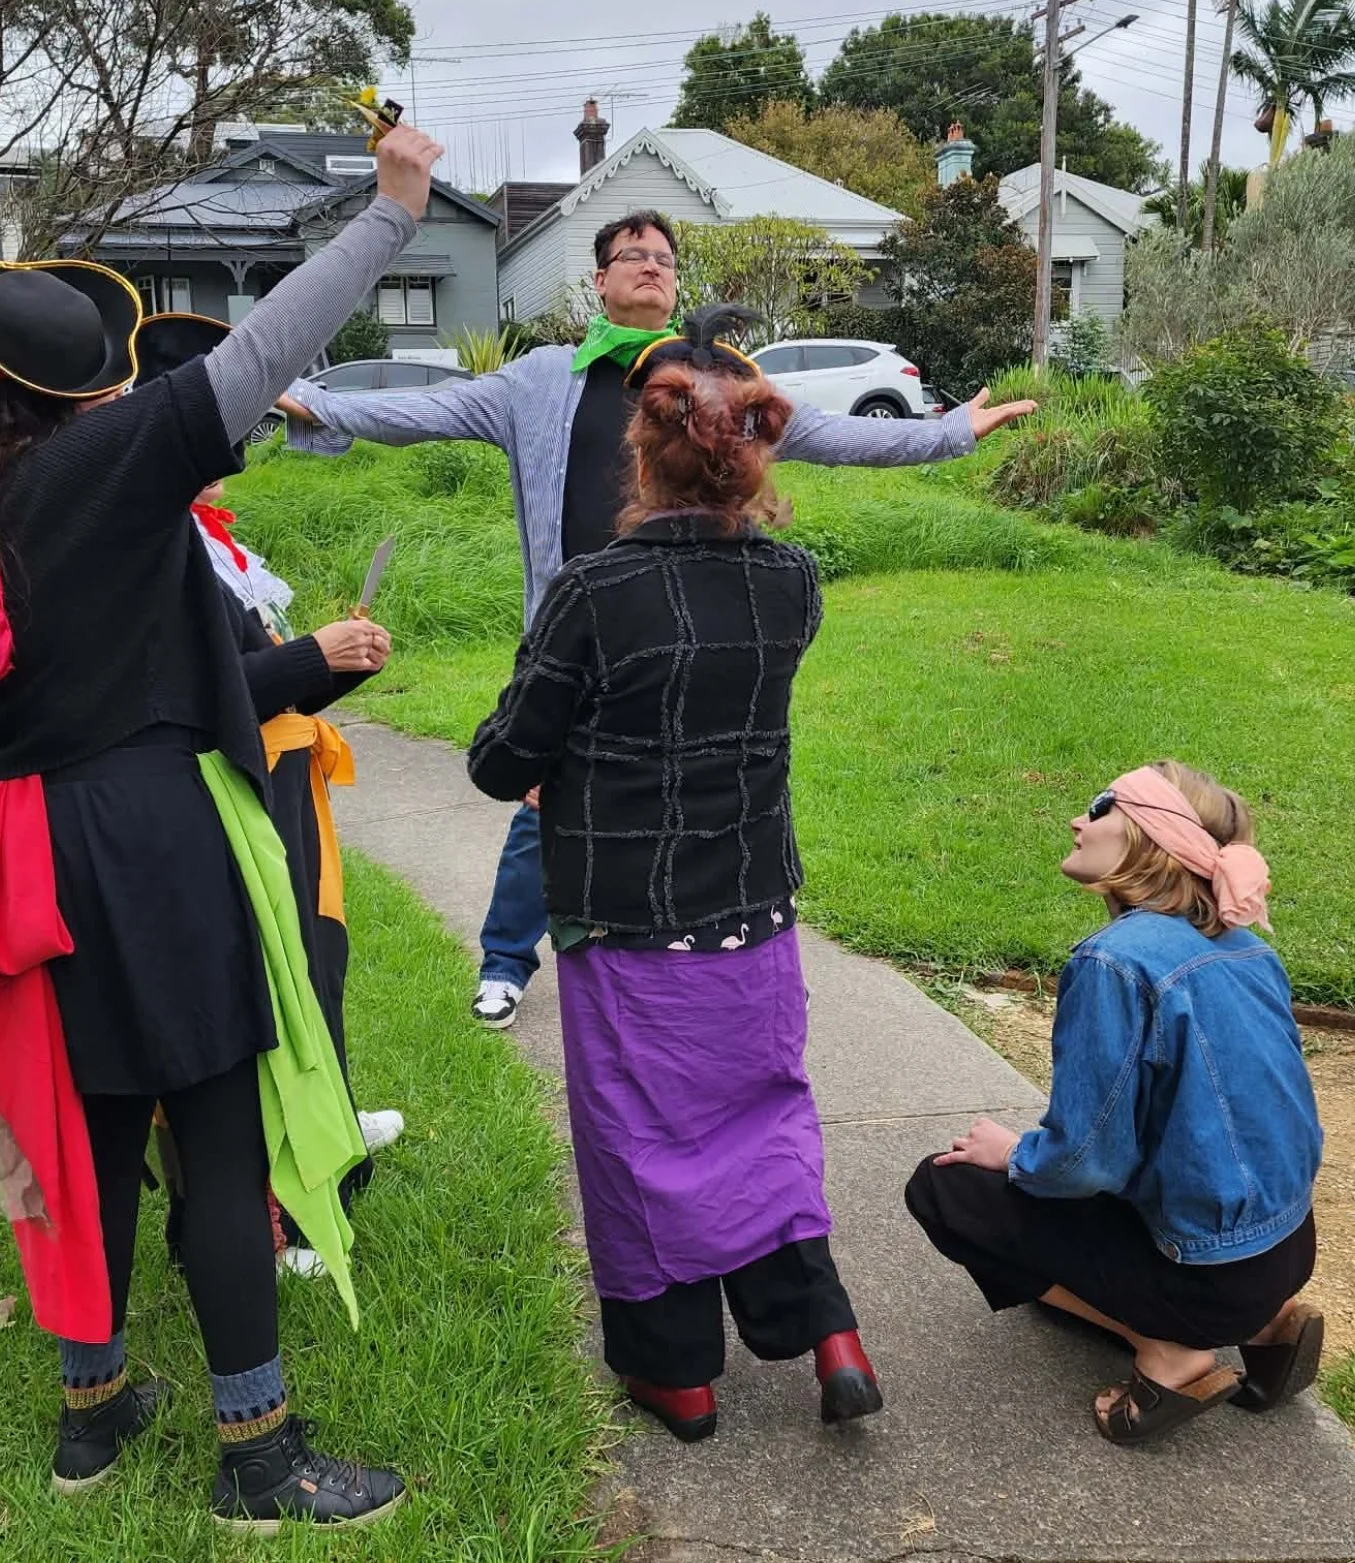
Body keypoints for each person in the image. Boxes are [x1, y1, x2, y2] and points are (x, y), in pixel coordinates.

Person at [0, 122, 444, 1529]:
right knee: (212, 1138)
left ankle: (94, 1416)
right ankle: (258, 1459)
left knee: (80, 1136)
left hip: (7, 860)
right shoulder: (108, 466)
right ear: (80, 393)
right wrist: (391, 215)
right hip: (139, 845)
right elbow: (261, 353)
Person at [278, 210, 1038, 1031]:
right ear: (598, 280)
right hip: (581, 620)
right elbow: (431, 408)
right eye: (630, 255)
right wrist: (318, 404)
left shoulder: (716, 376)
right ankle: (506, 959)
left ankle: (689, 948)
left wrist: (951, 431)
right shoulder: (537, 380)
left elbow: (825, 432)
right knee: (543, 794)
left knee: (690, 787)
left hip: (691, 616)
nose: (649, 265)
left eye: (664, 258)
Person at [466, 306, 881, 1443]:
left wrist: (555, 752)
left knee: (639, 1139)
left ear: (639, 454)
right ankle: (826, 1331)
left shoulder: (596, 589)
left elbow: (505, 758)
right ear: (751, 456)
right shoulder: (791, 584)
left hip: (629, 920)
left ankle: (679, 1374)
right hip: (754, 909)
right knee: (763, 1116)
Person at [905, 761, 1324, 1445]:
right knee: (1056, 1252)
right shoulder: (1245, 946)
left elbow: (1080, 1160)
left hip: (1205, 1273)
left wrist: (1010, 1151)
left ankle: (1171, 1353)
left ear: (1151, 837)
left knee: (945, 1187)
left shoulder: (1114, 961)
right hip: (1284, 1245)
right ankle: (1264, 1324)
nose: (1078, 819)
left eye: (1101, 807)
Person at [132, 313, 404, 1275]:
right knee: (258, 995)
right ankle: (269, 1203)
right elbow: (189, 700)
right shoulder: (151, 548)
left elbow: (262, 676)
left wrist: (339, 663)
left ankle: (324, 1120)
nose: (235, 454)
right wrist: (308, 655)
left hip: (283, 789)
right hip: (222, 801)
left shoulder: (208, 541)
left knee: (313, 965)